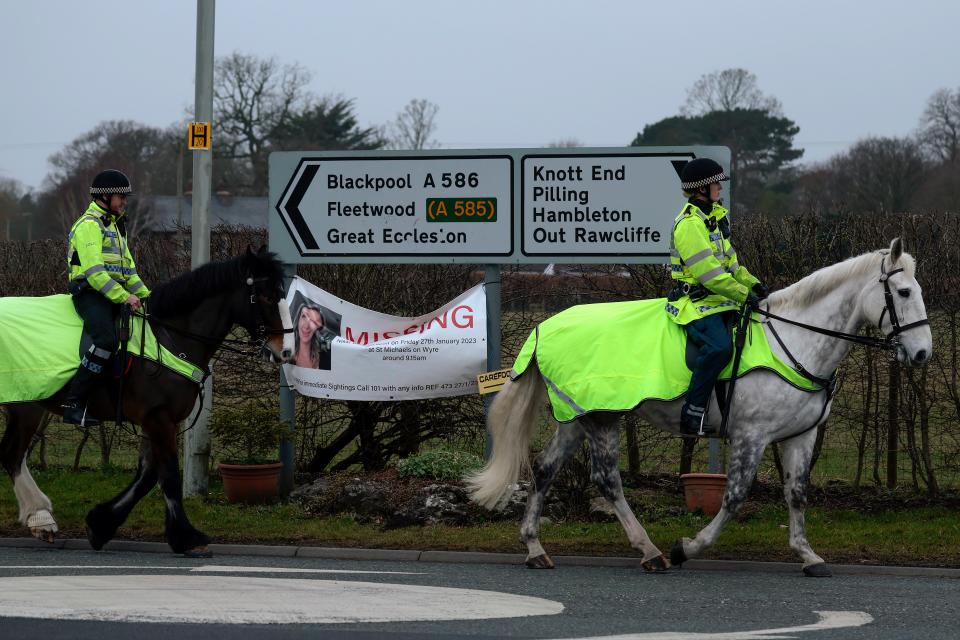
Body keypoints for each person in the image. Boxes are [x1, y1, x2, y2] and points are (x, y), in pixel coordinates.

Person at [665, 158, 768, 436]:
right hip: (695, 304)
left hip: (719, 300)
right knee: (720, 347)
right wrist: (742, 294)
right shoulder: (689, 225)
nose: (720, 188)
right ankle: (693, 412)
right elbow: (709, 274)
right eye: (715, 183)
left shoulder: (713, 219)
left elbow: (731, 265)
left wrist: (754, 285)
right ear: (701, 189)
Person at [62, 169, 150, 426]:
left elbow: (129, 272)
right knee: (106, 340)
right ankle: (73, 403)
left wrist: (147, 296)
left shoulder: (116, 227)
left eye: (125, 197)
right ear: (104, 196)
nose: (124, 201)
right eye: (121, 196)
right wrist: (125, 297)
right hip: (91, 295)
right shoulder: (89, 225)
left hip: (113, 295)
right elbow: (95, 273)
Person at [293, 298, 331, 370]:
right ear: (298, 319)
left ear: (318, 328)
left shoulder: (326, 358)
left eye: (313, 322)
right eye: (304, 316)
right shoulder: (287, 354)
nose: (307, 326)